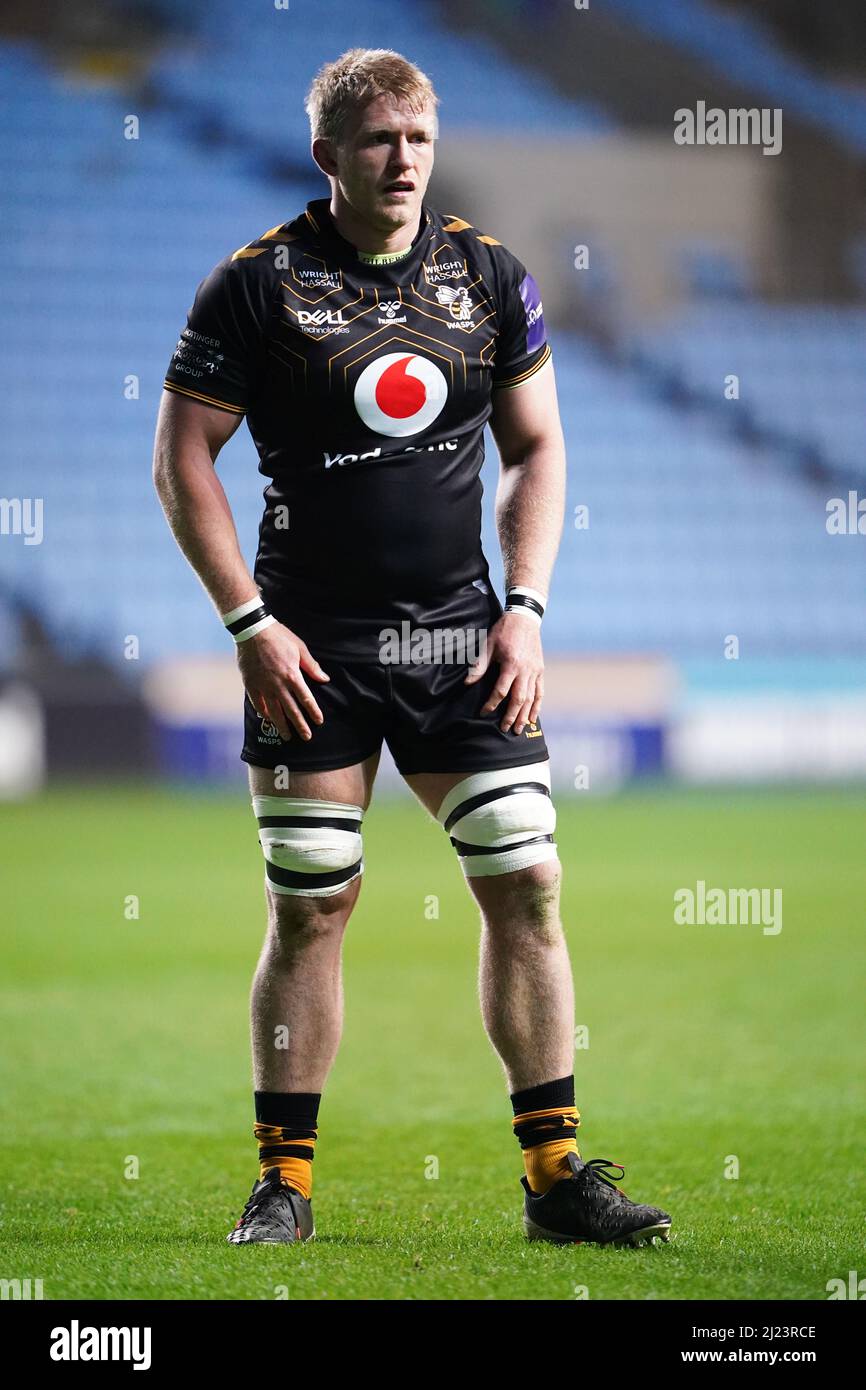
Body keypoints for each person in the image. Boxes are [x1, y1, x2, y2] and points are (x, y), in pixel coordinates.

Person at [153, 47, 671, 1248]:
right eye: (380, 139)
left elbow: (537, 447)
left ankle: (554, 1177)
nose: (402, 160)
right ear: (327, 153)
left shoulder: (488, 276)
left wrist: (527, 607)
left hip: (459, 641)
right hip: (311, 649)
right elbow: (185, 458)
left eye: (419, 139)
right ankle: (284, 1184)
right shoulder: (255, 285)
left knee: (529, 885)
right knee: (312, 907)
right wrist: (247, 625)